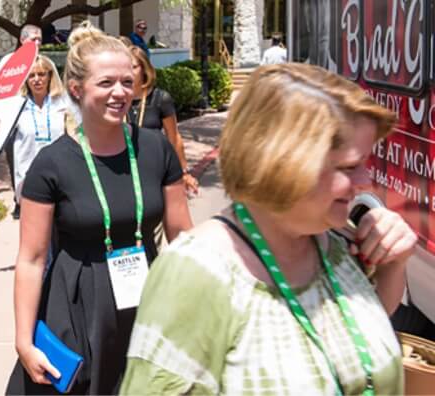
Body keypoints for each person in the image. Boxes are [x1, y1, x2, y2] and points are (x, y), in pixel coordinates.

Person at [121, 63, 415, 394]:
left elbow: (357, 347)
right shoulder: (198, 273)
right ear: (282, 163)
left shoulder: (335, 242)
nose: (366, 183)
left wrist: (392, 264)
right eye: (349, 166)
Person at [6, 21, 193, 394]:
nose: (120, 92)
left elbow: (185, 238)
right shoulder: (51, 164)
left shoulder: (156, 149)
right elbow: (31, 258)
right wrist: (24, 341)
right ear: (76, 89)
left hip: (146, 295)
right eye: (105, 83)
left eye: (127, 81)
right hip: (77, 302)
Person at [0, 24, 43, 219]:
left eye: (40, 39)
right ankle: (19, 201)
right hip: (14, 120)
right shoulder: (9, 61)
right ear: (22, 40)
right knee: (16, 159)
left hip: (38, 119)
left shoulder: (42, 62)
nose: (37, 43)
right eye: (33, 39)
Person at [128, 45, 198, 194]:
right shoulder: (117, 99)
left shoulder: (160, 99)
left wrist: (183, 172)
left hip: (155, 169)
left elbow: (174, 138)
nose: (128, 72)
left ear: (144, 68)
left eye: (133, 67)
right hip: (125, 171)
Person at [13, 55, 68, 202]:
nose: (36, 79)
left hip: (60, 174)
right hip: (27, 175)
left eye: (41, 74)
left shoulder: (63, 103)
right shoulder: (17, 106)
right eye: (31, 75)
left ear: (50, 76)